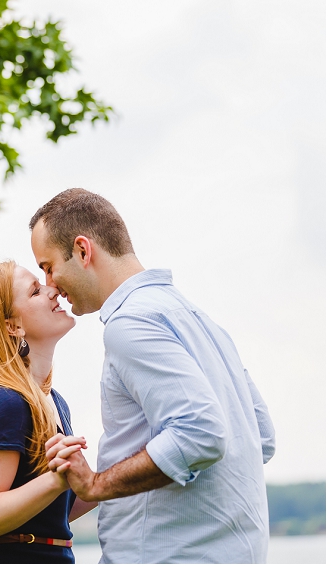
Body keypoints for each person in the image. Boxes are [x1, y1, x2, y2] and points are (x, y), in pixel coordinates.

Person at [30, 188, 276, 564]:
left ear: (83, 250)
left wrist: (96, 485)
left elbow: (201, 433)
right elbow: (260, 436)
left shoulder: (130, 323)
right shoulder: (200, 321)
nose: (49, 285)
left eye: (48, 266)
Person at [0, 261, 96, 564]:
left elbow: (54, 511)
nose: (53, 290)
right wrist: (55, 480)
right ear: (12, 325)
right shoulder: (5, 402)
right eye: (36, 291)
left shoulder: (54, 401)